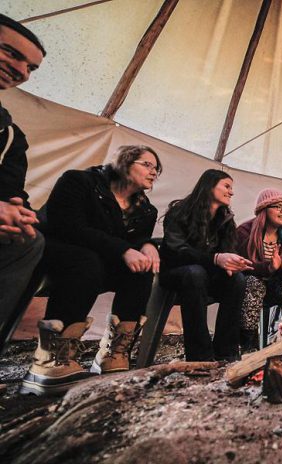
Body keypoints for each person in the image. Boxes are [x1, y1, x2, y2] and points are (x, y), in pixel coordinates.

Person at [21, 145, 162, 395]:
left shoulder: (146, 210)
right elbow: (67, 226)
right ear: (124, 162)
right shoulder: (79, 181)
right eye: (147, 164)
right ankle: (48, 360)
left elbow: (135, 240)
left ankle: (113, 353)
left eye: (156, 168)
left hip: (100, 259)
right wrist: (123, 249)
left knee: (141, 269)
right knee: (87, 261)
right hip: (54, 251)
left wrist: (147, 245)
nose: (153, 172)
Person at [160, 169, 252, 362]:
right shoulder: (180, 212)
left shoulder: (225, 218)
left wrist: (232, 264)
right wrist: (216, 259)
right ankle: (199, 356)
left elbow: (226, 252)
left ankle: (226, 352)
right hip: (175, 274)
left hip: (206, 275)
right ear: (210, 185)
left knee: (237, 280)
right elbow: (176, 251)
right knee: (195, 273)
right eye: (227, 186)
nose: (231, 192)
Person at [0, 15, 46, 351]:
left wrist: (20, 213)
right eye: (10, 53)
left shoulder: (10, 135)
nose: (21, 71)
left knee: (29, 242)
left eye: (31, 67)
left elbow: (12, 191)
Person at [237, 188, 282, 349]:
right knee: (254, 283)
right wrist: (269, 267)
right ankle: (248, 346)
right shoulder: (245, 232)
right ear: (263, 210)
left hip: (275, 289)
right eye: (278, 206)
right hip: (248, 289)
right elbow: (243, 266)